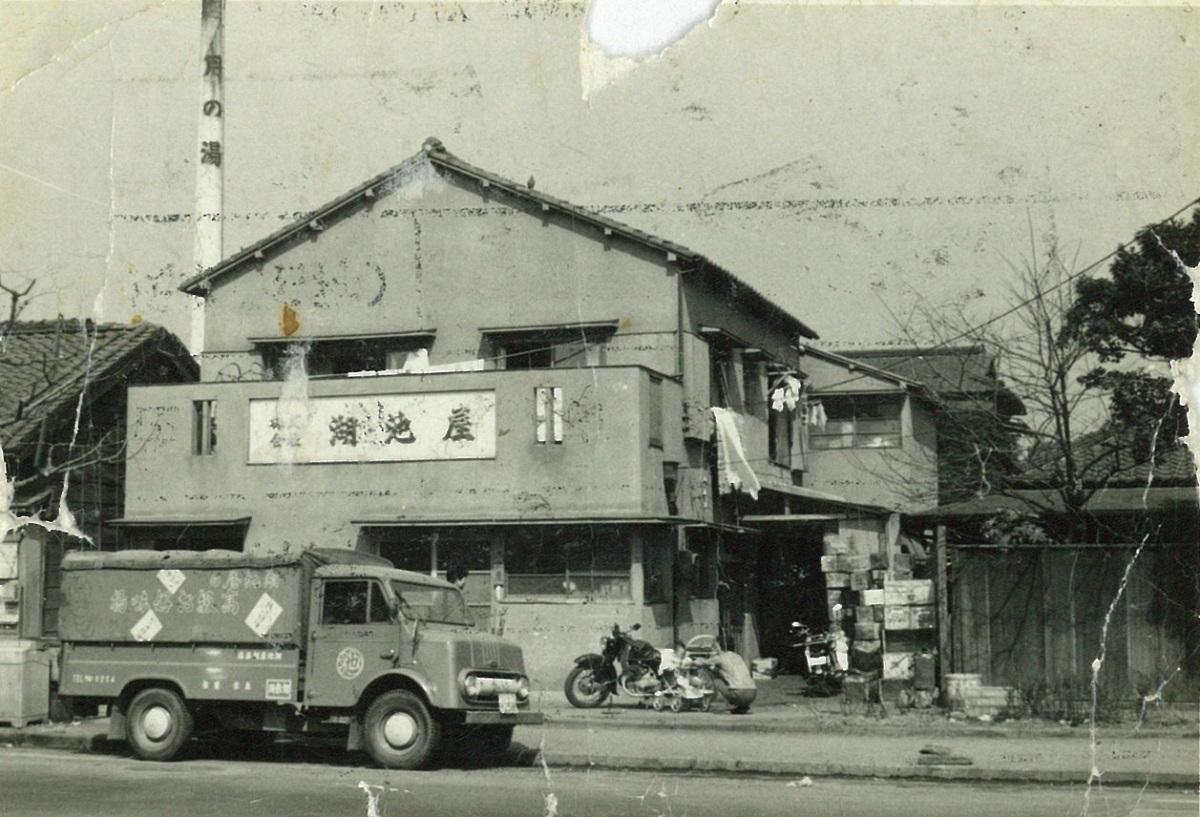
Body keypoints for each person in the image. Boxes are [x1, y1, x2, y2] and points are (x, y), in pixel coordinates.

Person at [695, 644, 757, 714]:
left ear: (719, 646)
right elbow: (725, 672)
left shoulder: (720, 657)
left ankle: (724, 705)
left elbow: (701, 662)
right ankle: (743, 706)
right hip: (753, 693)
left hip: (739, 693)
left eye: (715, 646)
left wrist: (693, 659)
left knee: (716, 679)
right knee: (728, 678)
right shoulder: (738, 656)